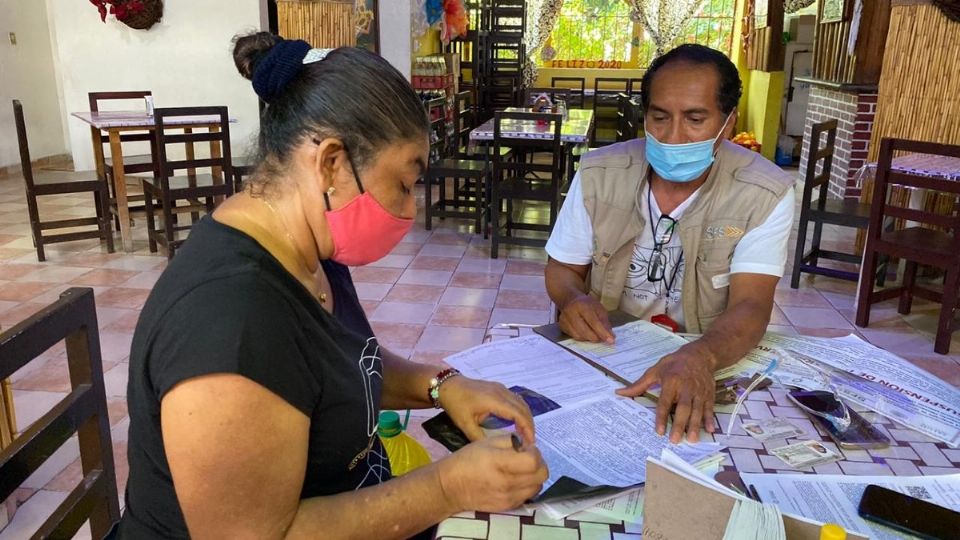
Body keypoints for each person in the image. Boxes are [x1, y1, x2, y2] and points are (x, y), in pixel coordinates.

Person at [116, 33, 547, 539]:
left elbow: (341, 362)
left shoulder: (308, 245)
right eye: (404, 184)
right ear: (332, 164)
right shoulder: (231, 320)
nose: (410, 210)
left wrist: (441, 385)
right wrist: (446, 489)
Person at [545, 44, 795, 444]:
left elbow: (752, 303)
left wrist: (702, 357)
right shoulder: (598, 173)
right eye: (659, 117)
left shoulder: (763, 192)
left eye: (695, 119)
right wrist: (574, 299)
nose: (673, 136)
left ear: (728, 123)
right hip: (610, 349)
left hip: (705, 350)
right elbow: (562, 270)